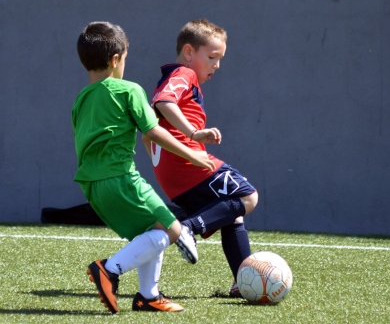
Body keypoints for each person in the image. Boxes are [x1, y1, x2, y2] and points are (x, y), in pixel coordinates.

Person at [72, 21, 216, 314]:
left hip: (92, 186)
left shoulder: (80, 100)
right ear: (116, 60)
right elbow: (152, 131)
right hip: (122, 179)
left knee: (151, 230)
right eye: (125, 59)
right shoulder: (129, 90)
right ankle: (109, 269)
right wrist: (192, 150)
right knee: (172, 230)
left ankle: (148, 296)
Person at [142, 19, 258, 298]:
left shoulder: (180, 79)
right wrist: (194, 134)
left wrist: (161, 166)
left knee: (233, 215)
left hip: (174, 177)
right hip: (189, 167)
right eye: (212, 57)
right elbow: (163, 102)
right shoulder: (183, 73)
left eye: (220, 59)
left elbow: (147, 134)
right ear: (189, 52)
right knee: (248, 197)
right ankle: (187, 229)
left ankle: (242, 282)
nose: (216, 65)